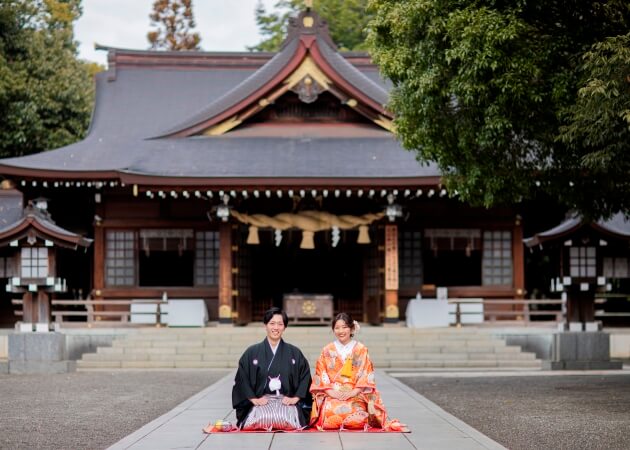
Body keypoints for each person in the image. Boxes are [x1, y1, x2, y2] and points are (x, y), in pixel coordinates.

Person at [309, 312, 401, 431]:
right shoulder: (327, 350)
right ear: (333, 330)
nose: (341, 331)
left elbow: (366, 374)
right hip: (332, 393)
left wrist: (353, 392)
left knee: (356, 411)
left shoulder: (361, 349)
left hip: (356, 393)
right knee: (330, 411)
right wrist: (332, 392)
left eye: (344, 327)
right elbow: (321, 373)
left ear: (352, 328)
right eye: (337, 328)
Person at [232, 307, 312, 430]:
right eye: (272, 323)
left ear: (284, 327)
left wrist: (295, 398)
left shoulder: (295, 353)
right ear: (265, 325)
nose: (276, 328)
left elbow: (305, 377)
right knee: (257, 420)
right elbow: (242, 378)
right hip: (260, 402)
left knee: (289, 421)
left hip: (287, 402)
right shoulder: (252, 352)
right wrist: (253, 399)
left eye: (280, 324)